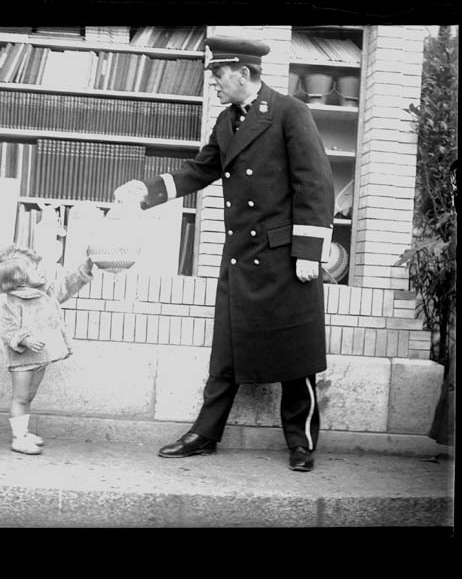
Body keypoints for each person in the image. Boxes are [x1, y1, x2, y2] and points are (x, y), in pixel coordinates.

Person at [114, 36, 334, 471]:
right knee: (227, 353)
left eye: (218, 73)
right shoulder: (225, 121)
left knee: (296, 356)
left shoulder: (291, 113)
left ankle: (301, 443)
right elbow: (201, 170)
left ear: (244, 73)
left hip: (287, 257)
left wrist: (310, 251)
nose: (213, 81)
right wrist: (147, 192)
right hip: (242, 255)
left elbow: (315, 183)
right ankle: (205, 434)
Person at [0, 244, 94, 455]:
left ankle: (24, 431)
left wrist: (86, 267)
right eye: (35, 269)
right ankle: (18, 438)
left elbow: (66, 286)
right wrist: (25, 339)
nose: (41, 272)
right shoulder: (11, 301)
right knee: (20, 398)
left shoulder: (46, 293)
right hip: (22, 360)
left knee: (29, 396)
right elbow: (7, 330)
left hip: (40, 357)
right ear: (19, 278)